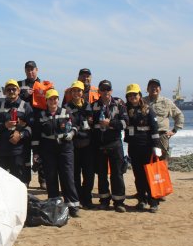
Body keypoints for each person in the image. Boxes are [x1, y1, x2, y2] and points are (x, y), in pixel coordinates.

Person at [32, 89, 80, 217]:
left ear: (58, 100)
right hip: (48, 150)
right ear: (46, 101)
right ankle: (55, 206)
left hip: (65, 149)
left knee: (68, 177)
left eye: (55, 99)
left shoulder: (66, 112)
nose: (53, 101)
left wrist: (72, 133)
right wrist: (36, 153)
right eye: (50, 99)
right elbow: (36, 137)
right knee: (51, 178)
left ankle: (73, 207)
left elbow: (76, 126)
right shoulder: (41, 116)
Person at [91, 80, 128, 212]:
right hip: (100, 145)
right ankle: (104, 201)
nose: (106, 92)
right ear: (99, 91)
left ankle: (118, 202)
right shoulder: (94, 106)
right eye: (103, 89)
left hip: (115, 144)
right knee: (101, 174)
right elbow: (89, 125)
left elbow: (125, 123)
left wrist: (110, 123)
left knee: (117, 174)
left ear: (111, 91)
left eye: (108, 89)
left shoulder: (119, 103)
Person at [125, 84, 162, 213]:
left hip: (147, 147)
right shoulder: (126, 109)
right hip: (134, 147)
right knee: (138, 176)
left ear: (139, 95)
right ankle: (141, 200)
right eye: (130, 95)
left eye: (134, 94)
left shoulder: (148, 109)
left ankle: (153, 202)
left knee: (149, 175)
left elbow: (155, 128)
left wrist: (156, 146)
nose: (132, 97)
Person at [0, 80, 34, 185]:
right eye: (8, 89)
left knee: (18, 182)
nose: (11, 91)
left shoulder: (26, 107)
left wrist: (21, 134)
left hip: (18, 151)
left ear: (18, 91)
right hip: (0, 151)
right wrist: (4, 125)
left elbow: (32, 128)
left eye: (14, 89)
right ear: (4, 92)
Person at [18, 60, 50, 189]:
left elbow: (51, 102)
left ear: (37, 70)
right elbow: (13, 97)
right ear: (25, 71)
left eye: (32, 69)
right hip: (25, 123)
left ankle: (43, 180)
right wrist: (24, 95)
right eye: (28, 69)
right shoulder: (20, 84)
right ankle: (25, 179)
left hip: (40, 123)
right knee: (24, 152)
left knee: (41, 152)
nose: (30, 72)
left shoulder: (44, 85)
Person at [64, 81, 95, 209]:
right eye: (74, 91)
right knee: (75, 174)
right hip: (74, 145)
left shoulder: (89, 106)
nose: (76, 93)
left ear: (83, 93)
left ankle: (87, 199)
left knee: (89, 175)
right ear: (71, 93)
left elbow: (92, 124)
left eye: (79, 91)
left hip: (88, 145)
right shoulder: (67, 108)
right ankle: (77, 199)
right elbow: (71, 125)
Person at [143, 78, 184, 160]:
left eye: (156, 86)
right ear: (147, 89)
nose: (154, 88)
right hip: (145, 136)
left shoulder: (166, 102)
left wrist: (174, 130)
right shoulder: (142, 102)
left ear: (160, 89)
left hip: (161, 136)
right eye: (151, 86)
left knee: (162, 162)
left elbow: (179, 115)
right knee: (147, 161)